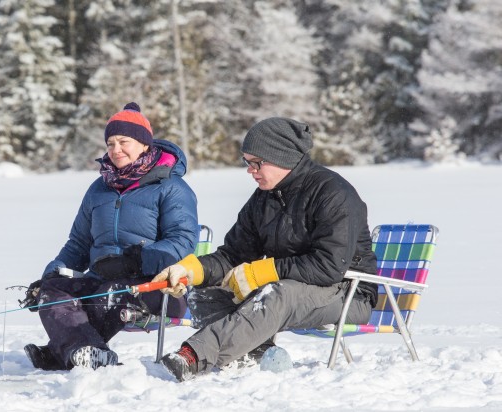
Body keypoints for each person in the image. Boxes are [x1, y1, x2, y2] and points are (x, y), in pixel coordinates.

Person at [152, 117, 378, 381]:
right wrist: (192, 269)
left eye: (257, 162)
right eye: (247, 162)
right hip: (291, 289)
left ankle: (194, 355)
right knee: (206, 293)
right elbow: (233, 254)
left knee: (275, 293)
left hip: (348, 292)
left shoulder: (333, 193)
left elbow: (328, 266)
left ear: (282, 157)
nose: (251, 170)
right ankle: (255, 354)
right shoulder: (264, 197)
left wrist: (263, 271)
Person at [23, 102, 199, 371]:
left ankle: (67, 352)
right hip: (102, 279)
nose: (116, 150)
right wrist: (51, 274)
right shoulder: (99, 189)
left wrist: (135, 261)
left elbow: (182, 242)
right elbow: (79, 243)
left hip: (158, 287)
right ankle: (82, 351)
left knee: (111, 292)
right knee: (53, 292)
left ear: (143, 143)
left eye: (123, 141)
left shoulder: (171, 187)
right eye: (110, 143)